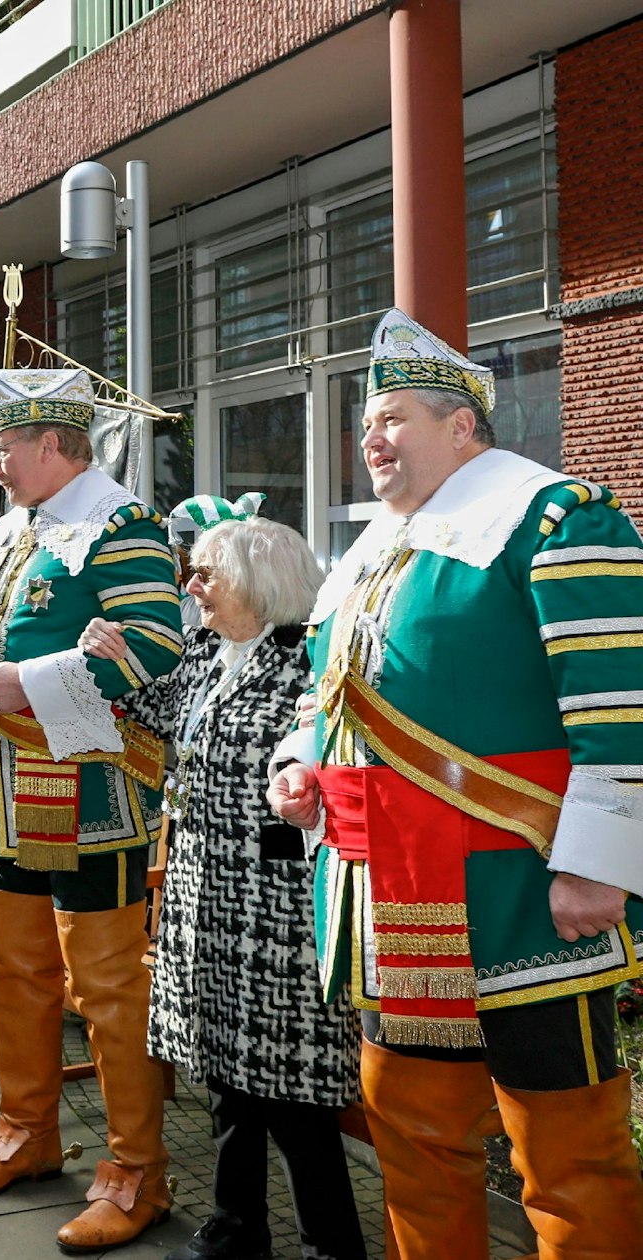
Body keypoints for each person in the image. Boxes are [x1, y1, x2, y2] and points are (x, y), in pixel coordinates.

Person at [266, 309, 643, 1258]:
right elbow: (333, 697)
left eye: (392, 418)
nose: (371, 440)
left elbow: (623, 700)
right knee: (414, 1141)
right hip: (390, 901)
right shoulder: (367, 554)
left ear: (463, 426)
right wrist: (298, 765)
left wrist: (601, 865)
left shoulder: (556, 517)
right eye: (366, 426)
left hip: (525, 894)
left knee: (566, 1159)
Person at [0, 367, 183, 1254]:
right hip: (11, 786)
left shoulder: (121, 525)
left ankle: (135, 1173)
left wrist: (30, 682)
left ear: (53, 444)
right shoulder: (21, 530)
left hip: (97, 796)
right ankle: (27, 1134)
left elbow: (159, 647)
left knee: (110, 989)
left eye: (4, 446)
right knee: (14, 970)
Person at [84, 504, 364, 1260]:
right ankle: (237, 1229)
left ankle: (331, 1246)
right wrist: (109, 658)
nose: (193, 586)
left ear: (256, 580)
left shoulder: (310, 662)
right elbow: (149, 716)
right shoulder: (208, 655)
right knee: (229, 1088)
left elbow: (323, 780)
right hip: (203, 907)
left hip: (278, 917)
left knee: (297, 1101)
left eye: (207, 573)